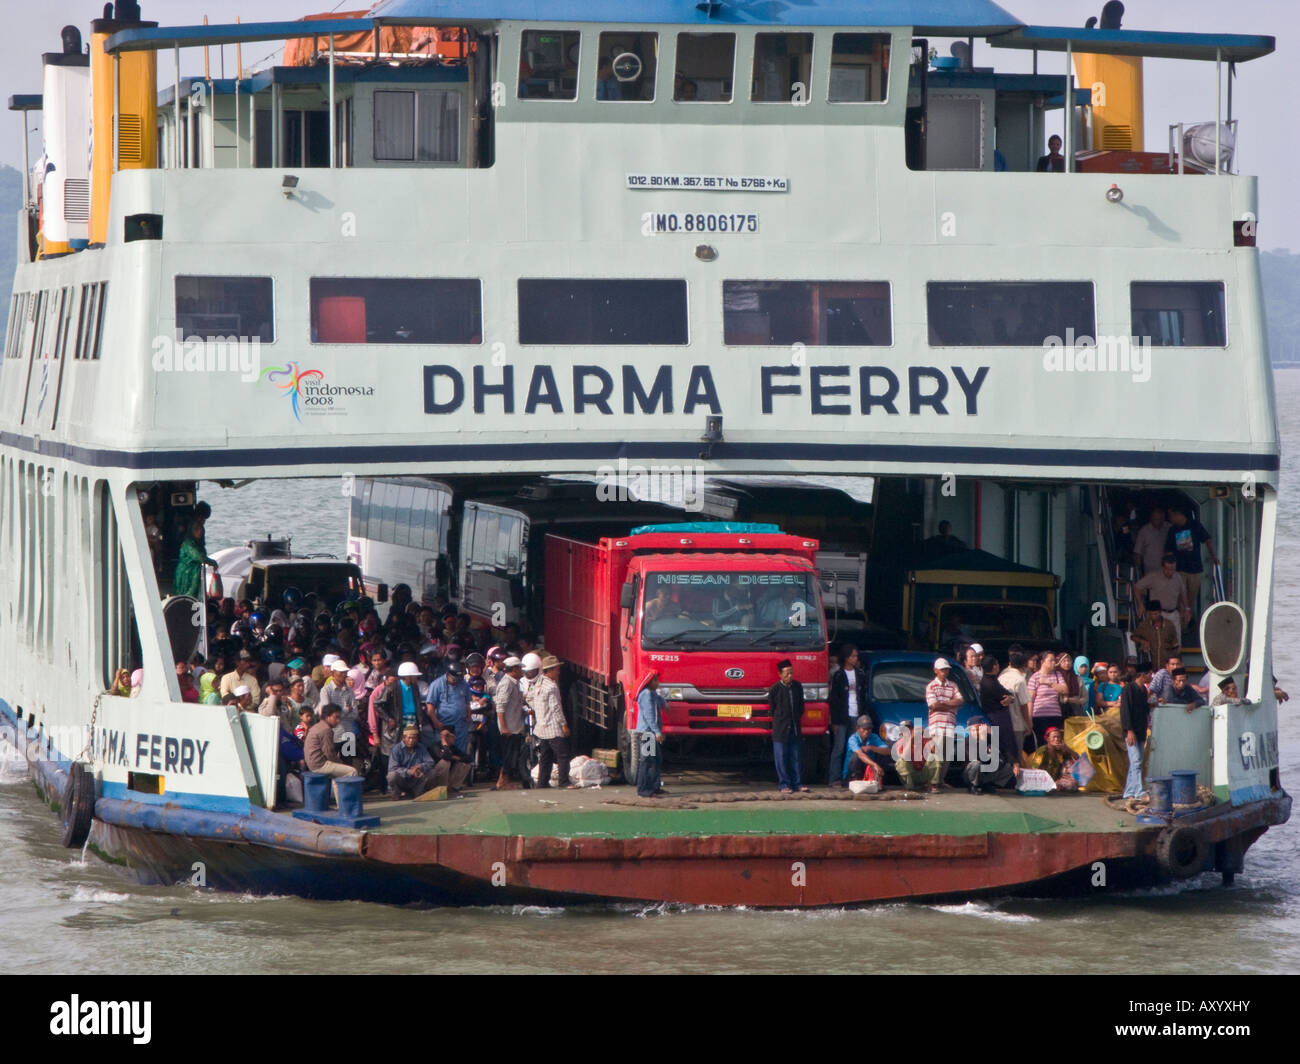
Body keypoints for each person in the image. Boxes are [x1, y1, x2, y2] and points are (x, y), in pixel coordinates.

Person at [1165, 506, 1218, 621]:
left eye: (1171, 516)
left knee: (1191, 599)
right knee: (1180, 598)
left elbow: (1207, 540)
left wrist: (1213, 556)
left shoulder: (1194, 525)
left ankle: (1188, 622)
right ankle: (1180, 625)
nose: (1170, 518)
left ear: (1178, 514)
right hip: (1179, 569)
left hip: (1195, 569)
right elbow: (1168, 550)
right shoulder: (1172, 530)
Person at [529, 655, 572, 788]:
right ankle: (564, 781)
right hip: (553, 727)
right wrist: (564, 725)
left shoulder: (538, 683)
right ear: (550, 670)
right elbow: (556, 708)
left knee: (545, 756)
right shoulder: (552, 687)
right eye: (557, 669)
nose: (558, 672)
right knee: (563, 755)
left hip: (542, 727)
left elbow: (529, 698)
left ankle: (542, 783)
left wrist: (538, 711)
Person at [827, 645, 867, 786]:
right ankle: (834, 778)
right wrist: (834, 721)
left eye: (856, 656)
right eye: (853, 656)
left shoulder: (860, 674)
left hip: (856, 715)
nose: (856, 659)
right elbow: (834, 700)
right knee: (839, 748)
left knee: (854, 748)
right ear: (846, 657)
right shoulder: (838, 675)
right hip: (842, 717)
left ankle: (850, 776)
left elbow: (863, 696)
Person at [768, 659, 807, 793]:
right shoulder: (775, 689)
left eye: (791, 673)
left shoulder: (797, 686)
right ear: (780, 674)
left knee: (795, 757)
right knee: (781, 758)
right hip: (780, 729)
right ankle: (784, 784)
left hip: (794, 727)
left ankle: (797, 783)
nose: (790, 676)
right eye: (787, 674)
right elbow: (772, 709)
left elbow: (801, 707)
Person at [304, 705, 362, 794]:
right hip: (319, 765)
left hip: (313, 763)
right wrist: (340, 763)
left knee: (338, 774)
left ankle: (341, 801)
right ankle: (348, 801)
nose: (338, 721)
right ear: (327, 717)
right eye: (336, 717)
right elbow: (329, 754)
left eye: (339, 718)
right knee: (352, 771)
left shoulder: (317, 726)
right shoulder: (326, 730)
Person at [923, 657, 962, 786]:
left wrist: (943, 703)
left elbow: (960, 701)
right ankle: (932, 781)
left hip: (950, 724)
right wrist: (950, 704)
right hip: (937, 725)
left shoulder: (953, 685)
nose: (945, 672)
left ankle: (940, 780)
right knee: (936, 753)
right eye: (942, 670)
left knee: (947, 755)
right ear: (936, 670)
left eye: (946, 670)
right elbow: (933, 705)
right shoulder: (931, 686)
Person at [1135, 554, 1189, 641]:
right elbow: (1137, 587)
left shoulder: (1178, 577)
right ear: (1163, 567)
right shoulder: (1153, 576)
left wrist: (1187, 609)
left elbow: (1183, 593)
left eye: (1172, 569)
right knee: (1158, 641)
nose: (1170, 572)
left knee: (1176, 641)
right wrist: (1140, 604)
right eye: (1168, 569)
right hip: (1158, 614)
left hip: (1173, 613)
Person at [494, 656, 529, 790]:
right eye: (520, 668)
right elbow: (500, 707)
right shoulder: (506, 683)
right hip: (509, 728)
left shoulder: (515, 683)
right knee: (509, 756)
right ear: (514, 669)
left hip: (515, 726)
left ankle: (503, 780)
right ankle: (502, 782)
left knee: (512, 756)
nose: (522, 671)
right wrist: (504, 728)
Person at [633, 671, 667, 798]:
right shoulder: (646, 694)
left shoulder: (652, 693)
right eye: (655, 681)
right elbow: (649, 715)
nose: (657, 683)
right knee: (647, 761)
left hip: (650, 732)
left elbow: (661, 701)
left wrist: (664, 701)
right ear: (648, 682)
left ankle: (654, 787)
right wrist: (657, 732)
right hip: (647, 733)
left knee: (656, 759)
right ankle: (643, 789)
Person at [964, 715, 1018, 794]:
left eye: (978, 729)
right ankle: (973, 786)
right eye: (973, 730)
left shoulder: (989, 738)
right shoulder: (967, 742)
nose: (976, 732)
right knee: (976, 764)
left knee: (1008, 768)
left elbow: (1004, 751)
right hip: (971, 774)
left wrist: (1015, 763)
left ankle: (988, 784)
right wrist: (982, 741)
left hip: (986, 772)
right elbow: (978, 758)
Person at [426, 659, 472, 753]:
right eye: (454, 679)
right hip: (444, 725)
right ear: (448, 674)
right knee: (444, 753)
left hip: (461, 725)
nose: (456, 681)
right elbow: (430, 707)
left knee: (461, 753)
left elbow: (467, 702)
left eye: (458, 679)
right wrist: (436, 722)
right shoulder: (436, 684)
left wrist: (468, 715)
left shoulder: (464, 684)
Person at [386, 725, 442, 799]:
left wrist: (420, 767)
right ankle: (397, 793)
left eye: (414, 738)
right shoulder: (396, 749)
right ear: (404, 738)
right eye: (409, 738)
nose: (411, 740)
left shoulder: (421, 747)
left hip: (416, 779)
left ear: (417, 738)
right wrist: (409, 772)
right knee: (392, 775)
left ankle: (417, 792)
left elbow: (430, 762)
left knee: (432, 772)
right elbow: (392, 768)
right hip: (402, 779)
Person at [1120, 668, 1151, 799]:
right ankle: (1139, 791)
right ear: (1142, 674)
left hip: (1141, 730)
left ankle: (1129, 792)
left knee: (1136, 761)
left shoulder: (1143, 690)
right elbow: (1125, 711)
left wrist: (1154, 704)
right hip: (1131, 731)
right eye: (1149, 674)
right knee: (1136, 760)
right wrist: (1129, 730)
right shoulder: (1128, 689)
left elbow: (1144, 709)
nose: (1150, 677)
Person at [1026, 651, 1068, 745]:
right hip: (1039, 716)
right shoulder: (1034, 677)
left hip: (1055, 714)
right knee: (1042, 743)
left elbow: (1065, 690)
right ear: (1042, 662)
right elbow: (1030, 700)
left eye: (1054, 660)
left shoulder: (1057, 675)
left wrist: (1049, 683)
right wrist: (1029, 719)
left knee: (1056, 742)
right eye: (1051, 660)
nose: (1054, 663)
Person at [173, 518, 217, 598]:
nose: (200, 532)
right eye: (196, 529)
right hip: (187, 573)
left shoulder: (198, 544)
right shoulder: (188, 544)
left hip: (195, 572)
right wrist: (213, 563)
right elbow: (200, 557)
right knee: (186, 595)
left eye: (201, 529)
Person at [998, 649, 1032, 753]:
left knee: (1005, 754)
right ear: (1024, 665)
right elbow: (1024, 705)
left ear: (1010, 664)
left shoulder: (1001, 677)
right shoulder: (1020, 680)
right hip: (1017, 724)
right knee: (1017, 754)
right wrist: (1028, 724)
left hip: (1002, 722)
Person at [1028, 725, 1080, 791]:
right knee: (1071, 785)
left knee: (1069, 761)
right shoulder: (1042, 751)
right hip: (1043, 780)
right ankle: (1051, 787)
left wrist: (1066, 748)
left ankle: (1055, 786)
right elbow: (1034, 768)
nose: (1056, 739)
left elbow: (1077, 758)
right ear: (1048, 739)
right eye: (1054, 737)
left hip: (1056, 780)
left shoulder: (1060, 750)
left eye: (1058, 737)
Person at [844, 715, 892, 784]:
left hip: (868, 769)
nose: (866, 731)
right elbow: (860, 755)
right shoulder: (852, 739)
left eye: (869, 728)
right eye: (864, 728)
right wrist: (874, 765)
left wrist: (871, 748)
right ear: (857, 728)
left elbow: (888, 751)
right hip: (852, 772)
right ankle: (855, 780)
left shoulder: (873, 737)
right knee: (856, 755)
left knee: (883, 755)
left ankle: (879, 778)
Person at [427, 727, 474, 792]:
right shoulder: (435, 746)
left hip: (448, 777)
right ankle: (442, 789)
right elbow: (446, 756)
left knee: (465, 764)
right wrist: (444, 742)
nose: (454, 738)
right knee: (445, 762)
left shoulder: (453, 748)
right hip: (434, 778)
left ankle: (453, 788)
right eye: (451, 736)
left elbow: (469, 758)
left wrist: (457, 757)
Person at [1132, 506, 1170, 577]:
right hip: (1150, 572)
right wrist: (1139, 571)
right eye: (1156, 519)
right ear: (1151, 518)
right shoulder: (1144, 531)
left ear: (1163, 517)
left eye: (1160, 519)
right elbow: (1137, 553)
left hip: (1167, 571)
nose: (1158, 521)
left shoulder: (1169, 528)